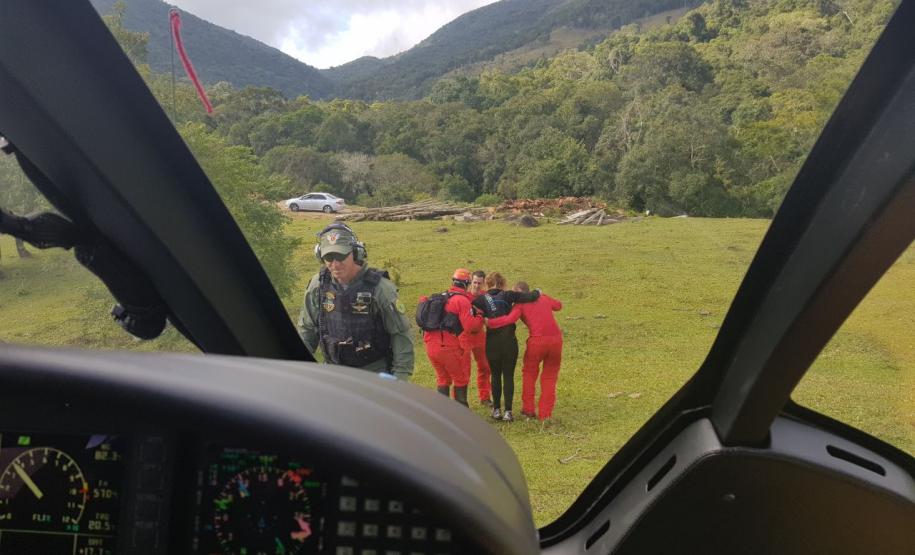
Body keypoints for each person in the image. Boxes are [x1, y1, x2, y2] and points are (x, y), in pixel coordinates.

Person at [298, 223, 414, 380]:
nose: (335, 264)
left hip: (373, 375)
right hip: (332, 374)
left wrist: (399, 379)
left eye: (341, 256)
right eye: (329, 257)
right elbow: (307, 329)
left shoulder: (381, 289)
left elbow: (400, 335)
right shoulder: (318, 285)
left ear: (356, 253)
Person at [486, 282, 562, 421]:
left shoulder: (520, 305)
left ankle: (528, 409)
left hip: (537, 341)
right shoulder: (543, 297)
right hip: (556, 341)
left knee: (529, 374)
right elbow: (558, 305)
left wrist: (490, 323)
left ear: (520, 292)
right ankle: (545, 414)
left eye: (515, 293)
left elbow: (510, 320)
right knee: (550, 377)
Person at [471, 272, 540, 422]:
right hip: (509, 341)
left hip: (492, 343)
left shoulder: (481, 300)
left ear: (487, 284)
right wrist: (538, 291)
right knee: (508, 376)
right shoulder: (509, 295)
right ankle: (508, 412)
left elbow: (470, 311)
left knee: (495, 375)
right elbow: (530, 297)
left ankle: (496, 410)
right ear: (502, 283)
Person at [420, 268, 483, 407]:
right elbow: (471, 327)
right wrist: (479, 316)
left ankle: (444, 414)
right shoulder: (461, 300)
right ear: (466, 284)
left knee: (443, 379)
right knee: (460, 379)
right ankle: (462, 415)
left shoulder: (442, 296)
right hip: (446, 347)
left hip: (430, 346)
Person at [463, 270, 492, 407]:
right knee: (463, 370)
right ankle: (460, 400)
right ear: (470, 282)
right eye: (474, 282)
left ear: (484, 283)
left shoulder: (486, 297)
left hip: (480, 335)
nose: (476, 286)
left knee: (485, 367)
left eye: (479, 283)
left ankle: (485, 397)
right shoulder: (463, 296)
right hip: (465, 336)